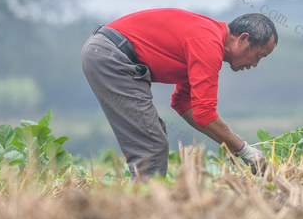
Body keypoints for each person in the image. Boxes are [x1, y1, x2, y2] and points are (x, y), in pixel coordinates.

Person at [81, 9, 275, 178]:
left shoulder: (208, 38)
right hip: (112, 56)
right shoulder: (208, 44)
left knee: (153, 140)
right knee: (151, 147)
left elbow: (184, 103)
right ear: (243, 39)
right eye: (258, 56)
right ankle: (144, 211)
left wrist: (233, 146)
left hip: (106, 51)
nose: (255, 64)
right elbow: (205, 113)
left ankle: (143, 204)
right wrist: (244, 149)